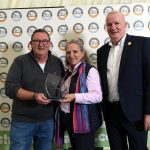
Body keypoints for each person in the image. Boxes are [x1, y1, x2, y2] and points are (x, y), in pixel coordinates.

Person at [97, 11, 150, 150]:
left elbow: (149, 80)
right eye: (109, 24)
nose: (113, 27)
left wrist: (148, 112)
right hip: (111, 113)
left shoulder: (142, 43)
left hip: (135, 114)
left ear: (125, 25)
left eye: (117, 23)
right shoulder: (101, 52)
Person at [5, 29, 65, 150]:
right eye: (36, 41)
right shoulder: (20, 62)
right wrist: (34, 96)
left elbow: (62, 88)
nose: (41, 44)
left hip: (48, 122)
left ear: (49, 43)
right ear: (31, 44)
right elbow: (10, 88)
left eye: (44, 41)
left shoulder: (57, 62)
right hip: (22, 122)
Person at [55, 39, 103, 150]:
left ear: (83, 53)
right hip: (69, 120)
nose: (71, 55)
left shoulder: (90, 71)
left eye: (75, 52)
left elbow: (97, 96)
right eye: (68, 52)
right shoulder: (68, 73)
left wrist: (75, 96)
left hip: (83, 122)